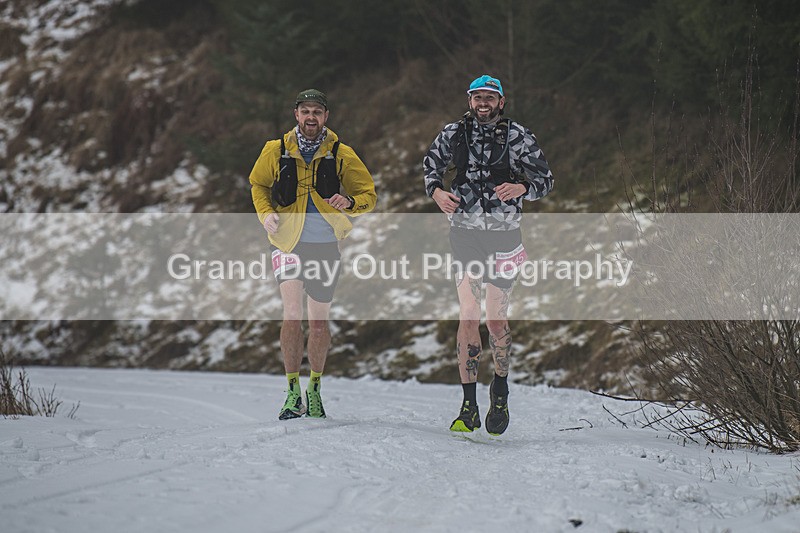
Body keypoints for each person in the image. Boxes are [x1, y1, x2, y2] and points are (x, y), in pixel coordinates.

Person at [423, 75, 553, 435]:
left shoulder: (518, 136)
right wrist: (436, 192)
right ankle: (468, 405)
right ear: (469, 100)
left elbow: (546, 179)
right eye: (477, 97)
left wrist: (523, 187)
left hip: (505, 235)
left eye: (489, 97)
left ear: (501, 100)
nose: (483, 103)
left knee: (495, 320)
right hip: (464, 234)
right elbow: (430, 167)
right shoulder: (453, 134)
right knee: (468, 313)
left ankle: (500, 388)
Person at [249, 89, 376, 420]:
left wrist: (350, 203)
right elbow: (258, 186)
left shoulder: (341, 153)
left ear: (325, 117)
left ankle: (314, 389)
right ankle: (292, 392)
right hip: (287, 243)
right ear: (296, 114)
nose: (310, 118)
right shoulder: (275, 151)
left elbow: (368, 195)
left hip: (325, 245)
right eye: (305, 111)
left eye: (316, 112)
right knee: (292, 313)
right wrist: (265, 214)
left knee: (318, 323)